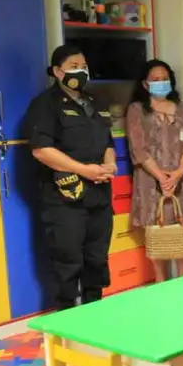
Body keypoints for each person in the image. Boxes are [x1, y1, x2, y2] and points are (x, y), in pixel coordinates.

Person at [24, 45, 115, 310]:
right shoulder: (45, 104)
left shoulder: (94, 101)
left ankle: (94, 314)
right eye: (74, 66)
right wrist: (84, 170)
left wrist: (109, 164)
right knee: (68, 263)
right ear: (57, 71)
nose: (81, 71)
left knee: (97, 260)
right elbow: (41, 150)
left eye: (83, 66)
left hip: (99, 195)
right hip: (66, 199)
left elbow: (107, 141)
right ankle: (66, 318)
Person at [126, 59, 183, 280]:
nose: (161, 82)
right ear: (145, 84)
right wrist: (161, 177)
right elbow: (138, 149)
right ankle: (161, 284)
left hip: (180, 182)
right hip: (150, 183)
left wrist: (178, 173)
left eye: (165, 78)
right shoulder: (136, 110)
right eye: (155, 79)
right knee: (157, 241)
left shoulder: (181, 108)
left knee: (182, 237)